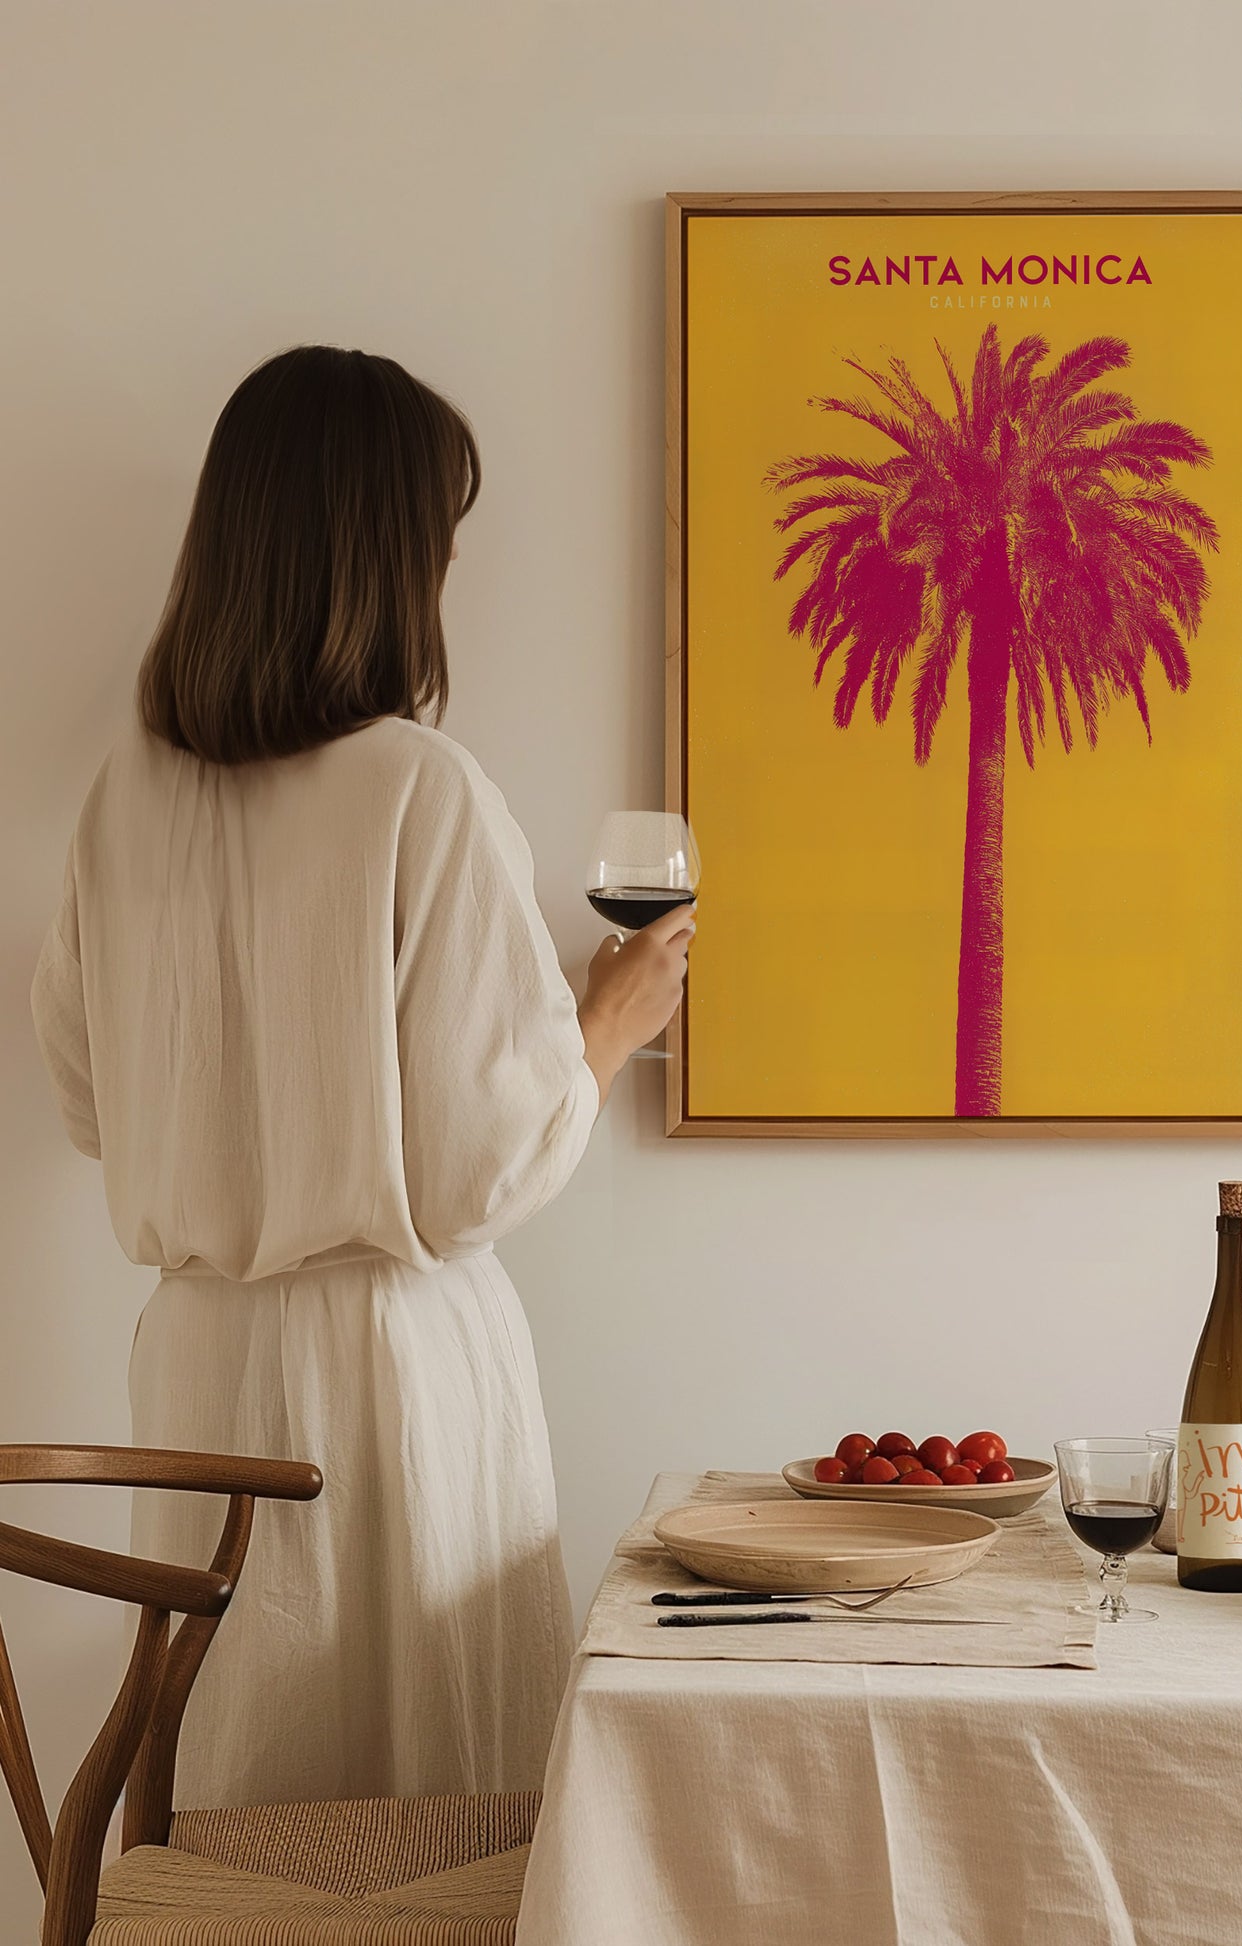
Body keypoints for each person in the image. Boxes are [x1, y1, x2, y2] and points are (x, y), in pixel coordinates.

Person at [29, 345, 689, 1806]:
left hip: (198, 1365)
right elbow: (473, 1175)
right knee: (426, 1809)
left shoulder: (125, 798)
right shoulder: (418, 786)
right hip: (390, 1372)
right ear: (386, 555)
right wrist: (605, 1022)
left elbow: (87, 1099)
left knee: (238, 1787)